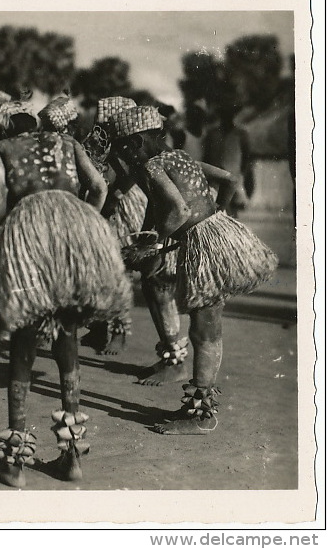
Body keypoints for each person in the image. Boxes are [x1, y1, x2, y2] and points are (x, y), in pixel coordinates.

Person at [0, 101, 131, 484]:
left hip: (29, 228)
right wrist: (83, 220)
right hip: (72, 227)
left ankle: (14, 462)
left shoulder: (1, 150)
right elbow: (99, 186)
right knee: (67, 333)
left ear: (3, 127)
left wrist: (3, 235)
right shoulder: (65, 142)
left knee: (24, 338)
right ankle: (72, 457)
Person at [108, 105, 278, 434]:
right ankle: (200, 409)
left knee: (204, 328)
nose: (125, 153)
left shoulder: (154, 164)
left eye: (126, 145)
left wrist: (155, 244)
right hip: (217, 232)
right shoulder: (179, 157)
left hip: (204, 243)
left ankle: (201, 415)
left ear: (138, 140)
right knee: (206, 325)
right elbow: (229, 179)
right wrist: (217, 212)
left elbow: (178, 209)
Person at [77, 97, 189, 376]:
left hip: (135, 213)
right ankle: (111, 329)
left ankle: (167, 355)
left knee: (148, 282)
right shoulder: (131, 148)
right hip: (146, 217)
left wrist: (153, 237)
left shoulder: (144, 155)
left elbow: (137, 182)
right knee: (130, 277)